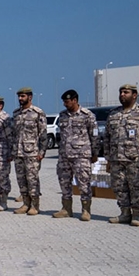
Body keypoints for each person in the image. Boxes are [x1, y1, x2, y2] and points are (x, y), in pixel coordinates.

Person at [104, 84, 139, 227]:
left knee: (137, 187)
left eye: (126, 92)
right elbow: (107, 137)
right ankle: (124, 213)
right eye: (121, 92)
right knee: (119, 186)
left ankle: (137, 215)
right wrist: (108, 157)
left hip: (138, 159)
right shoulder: (113, 114)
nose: (122, 94)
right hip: (117, 159)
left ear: (134, 95)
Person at [52, 90, 98, 221]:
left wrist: (94, 153)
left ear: (75, 100)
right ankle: (66, 209)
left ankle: (86, 210)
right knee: (64, 182)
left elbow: (94, 135)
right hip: (64, 156)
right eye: (64, 102)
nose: (65, 104)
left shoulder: (87, 115)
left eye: (67, 101)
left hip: (81, 155)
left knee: (84, 183)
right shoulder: (62, 116)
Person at [9, 87, 47, 215]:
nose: (20, 99)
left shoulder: (38, 112)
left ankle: (35, 206)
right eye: (19, 96)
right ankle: (25, 203)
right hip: (18, 152)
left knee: (32, 180)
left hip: (32, 153)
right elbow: (13, 134)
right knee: (21, 180)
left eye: (23, 96)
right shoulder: (16, 113)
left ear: (30, 97)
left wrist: (41, 153)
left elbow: (43, 134)